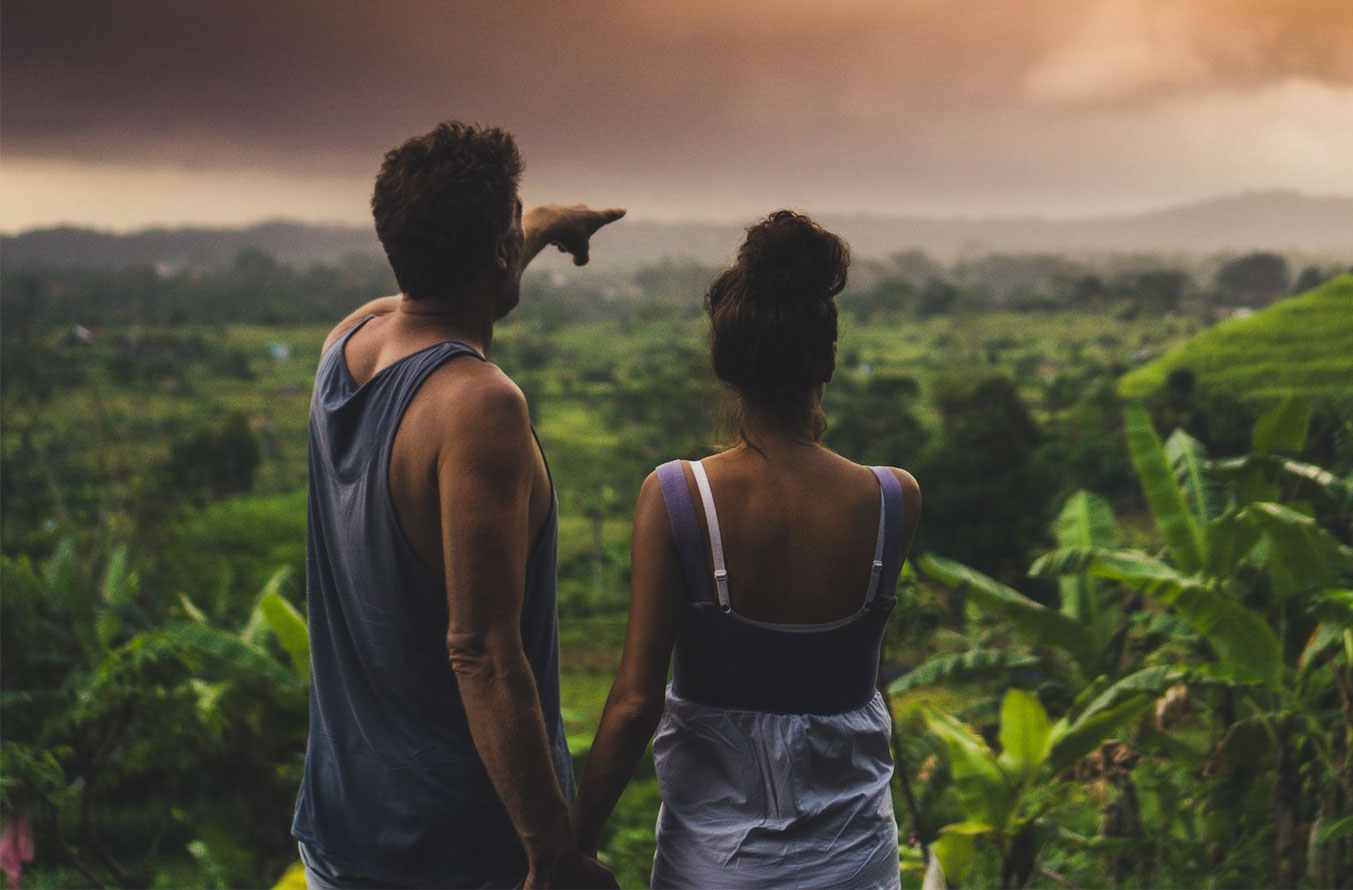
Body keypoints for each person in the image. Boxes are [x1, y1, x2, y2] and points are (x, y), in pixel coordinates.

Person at [294, 120, 624, 890]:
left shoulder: (345, 344)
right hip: (455, 852)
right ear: (498, 251)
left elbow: (428, 295)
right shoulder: (477, 406)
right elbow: (481, 652)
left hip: (344, 832)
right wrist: (552, 854)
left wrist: (534, 227)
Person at [569, 210, 919, 889]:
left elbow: (634, 702)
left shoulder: (677, 497)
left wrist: (568, 848)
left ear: (725, 361)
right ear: (828, 358)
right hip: (857, 865)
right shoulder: (893, 502)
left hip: (713, 868)